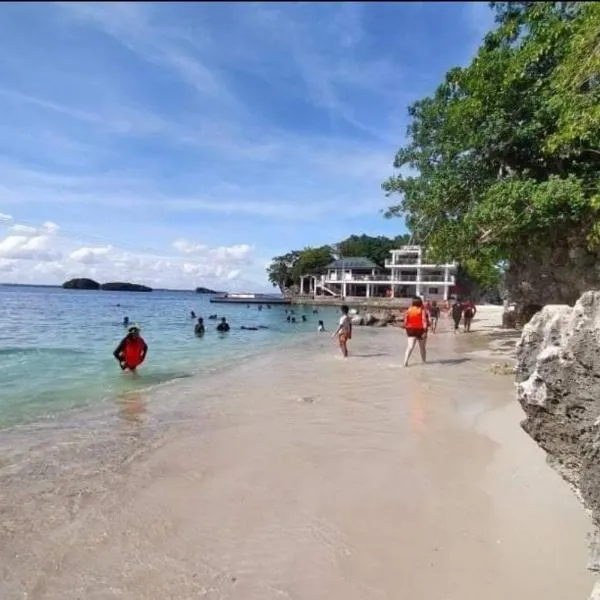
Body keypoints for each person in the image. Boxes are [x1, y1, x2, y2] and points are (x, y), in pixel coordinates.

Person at [403, 297, 430, 367]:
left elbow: (405, 321)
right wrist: (425, 331)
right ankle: (424, 362)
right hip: (420, 330)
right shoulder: (422, 310)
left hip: (411, 330)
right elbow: (424, 321)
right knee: (422, 348)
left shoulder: (409, 310)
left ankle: (405, 362)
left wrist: (406, 328)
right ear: (420, 303)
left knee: (410, 347)